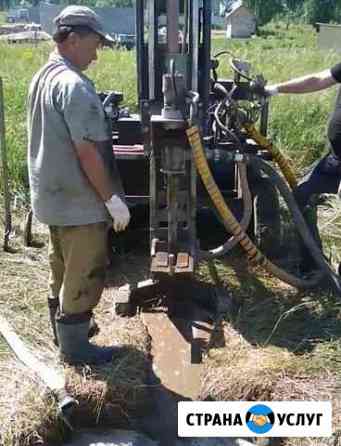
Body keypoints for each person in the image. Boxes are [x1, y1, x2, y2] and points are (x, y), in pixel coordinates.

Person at [27, 5, 130, 365]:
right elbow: (87, 154)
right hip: (78, 202)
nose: (96, 54)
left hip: (52, 198)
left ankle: (64, 332)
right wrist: (111, 200)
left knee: (61, 266)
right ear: (72, 39)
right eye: (94, 44)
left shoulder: (43, 75)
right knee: (86, 269)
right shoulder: (73, 85)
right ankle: (77, 351)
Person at [265, 64, 341, 271]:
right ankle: (313, 265)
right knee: (301, 196)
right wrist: (275, 88)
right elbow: (317, 79)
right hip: (335, 159)